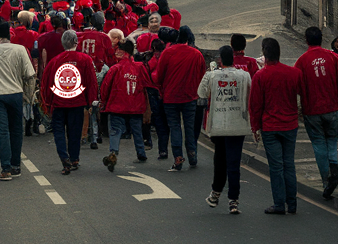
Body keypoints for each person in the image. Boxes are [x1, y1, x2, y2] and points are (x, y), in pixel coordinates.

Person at [249, 37, 302, 214]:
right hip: (290, 124)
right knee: (289, 164)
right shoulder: (294, 73)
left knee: (276, 167)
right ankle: (292, 203)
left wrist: (254, 127)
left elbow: (255, 105)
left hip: (270, 127)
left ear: (264, 53)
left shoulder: (260, 76)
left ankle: (279, 203)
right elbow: (302, 95)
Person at [0, 22, 36, 181]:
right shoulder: (20, 50)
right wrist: (29, 96)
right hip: (16, 93)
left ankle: (5, 168)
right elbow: (30, 74)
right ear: (10, 36)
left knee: (2, 131)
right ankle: (16, 165)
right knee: (17, 130)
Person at [295, 26, 338, 198]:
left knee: (318, 144)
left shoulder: (302, 61)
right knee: (332, 141)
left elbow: (297, 86)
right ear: (322, 38)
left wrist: (301, 106)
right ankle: (334, 169)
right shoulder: (332, 57)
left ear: (306, 40)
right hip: (331, 107)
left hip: (312, 110)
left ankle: (327, 179)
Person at [198, 45, 251, 215]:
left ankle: (215, 194)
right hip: (238, 124)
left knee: (220, 160)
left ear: (220, 59)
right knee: (234, 164)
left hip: (219, 125)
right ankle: (233, 201)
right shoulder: (244, 75)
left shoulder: (212, 75)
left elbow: (201, 93)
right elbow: (249, 93)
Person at [40, 29, 98, 174]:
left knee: (58, 132)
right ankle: (74, 158)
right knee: (75, 131)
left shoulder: (55, 61)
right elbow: (92, 82)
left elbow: (46, 82)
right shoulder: (85, 59)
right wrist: (91, 101)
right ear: (76, 42)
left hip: (58, 102)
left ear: (62, 43)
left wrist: (47, 102)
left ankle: (64, 157)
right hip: (77, 102)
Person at [155, 25, 207, 172]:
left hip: (170, 97)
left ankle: (178, 158)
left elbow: (159, 77)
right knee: (189, 127)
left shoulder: (167, 53)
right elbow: (202, 76)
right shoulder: (197, 54)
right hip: (190, 97)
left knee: (175, 127)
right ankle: (192, 155)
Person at [99, 38, 151, 171]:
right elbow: (147, 85)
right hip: (136, 105)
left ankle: (113, 152)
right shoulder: (139, 67)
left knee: (115, 130)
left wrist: (103, 102)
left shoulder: (115, 68)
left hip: (117, 105)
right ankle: (141, 153)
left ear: (122, 52)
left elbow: (105, 87)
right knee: (137, 130)